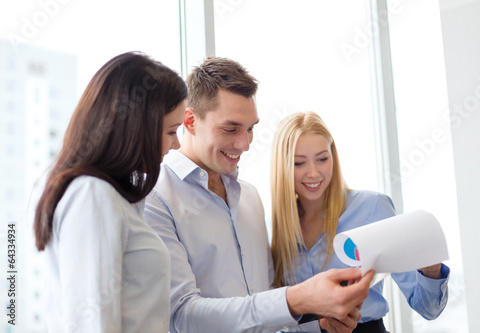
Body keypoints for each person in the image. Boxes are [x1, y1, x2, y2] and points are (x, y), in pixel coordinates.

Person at [144, 56, 375, 333]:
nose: (244, 144)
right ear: (190, 121)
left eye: (251, 128)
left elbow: (263, 316)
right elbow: (183, 316)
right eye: (231, 129)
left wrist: (320, 325)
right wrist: (296, 298)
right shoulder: (155, 198)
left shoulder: (250, 198)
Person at [32, 52, 187, 332]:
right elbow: (92, 322)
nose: (175, 145)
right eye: (171, 132)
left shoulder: (116, 197)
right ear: (136, 128)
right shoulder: (92, 195)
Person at [270, 111, 450, 333]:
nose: (313, 173)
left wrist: (430, 272)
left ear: (333, 157)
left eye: (322, 159)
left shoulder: (372, 208)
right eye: (299, 163)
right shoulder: (270, 230)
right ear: (282, 166)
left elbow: (427, 309)